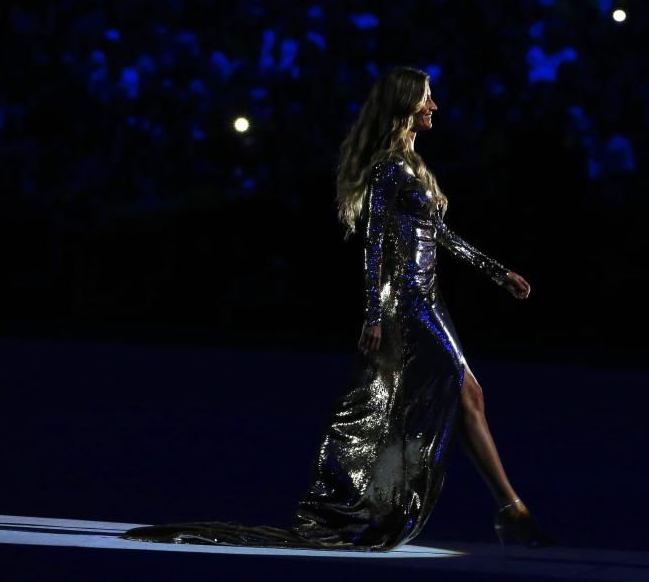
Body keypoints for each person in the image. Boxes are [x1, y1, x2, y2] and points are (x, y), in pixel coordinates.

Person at [121, 66, 556, 552]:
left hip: (429, 298)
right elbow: (373, 245)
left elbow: (441, 236)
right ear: (407, 104)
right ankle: (510, 510)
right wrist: (373, 312)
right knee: (466, 392)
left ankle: (508, 510)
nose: (434, 107)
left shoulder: (414, 164)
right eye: (427, 99)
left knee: (467, 394)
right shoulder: (390, 166)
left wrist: (498, 272)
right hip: (406, 305)